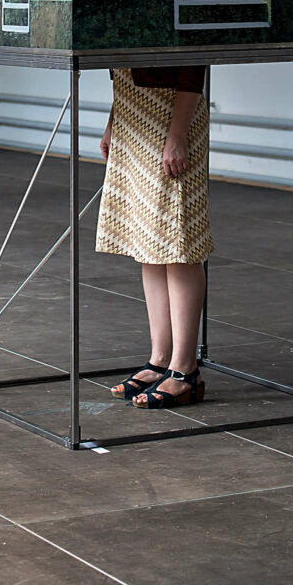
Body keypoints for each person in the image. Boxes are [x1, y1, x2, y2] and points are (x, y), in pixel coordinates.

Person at [95, 64, 212, 408]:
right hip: (132, 115)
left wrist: (177, 134)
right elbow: (121, 69)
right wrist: (112, 123)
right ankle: (160, 359)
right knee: (148, 244)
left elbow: (193, 66)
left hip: (169, 114)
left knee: (178, 244)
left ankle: (185, 370)